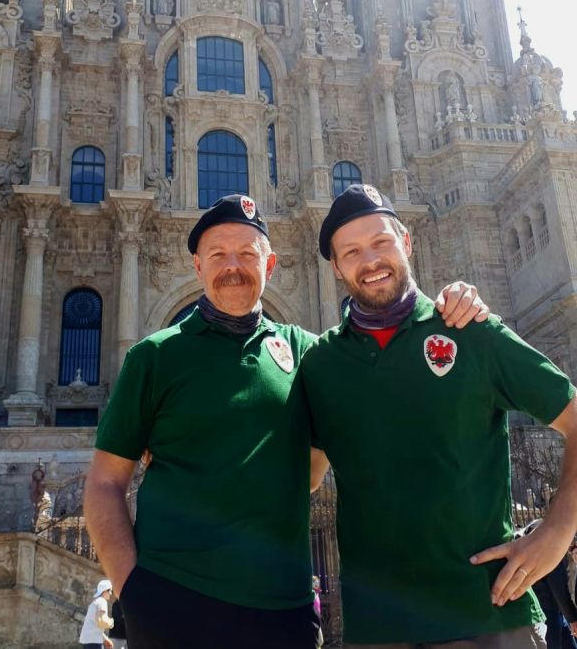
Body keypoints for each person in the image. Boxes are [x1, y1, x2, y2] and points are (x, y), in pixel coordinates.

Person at [84, 194, 487, 649]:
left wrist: (448, 306)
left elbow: (382, 374)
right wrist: (132, 590)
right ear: (197, 266)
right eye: (217, 255)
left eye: (247, 254)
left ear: (270, 265)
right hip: (173, 601)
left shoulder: (307, 352)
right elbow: (103, 484)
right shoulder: (153, 357)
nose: (232, 266)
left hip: (284, 610)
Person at [302, 183, 577, 649]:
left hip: (488, 619)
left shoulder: (469, 329)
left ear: (407, 242)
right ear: (336, 267)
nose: (370, 260)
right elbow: (303, 479)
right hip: (378, 630)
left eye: (382, 242)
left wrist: (557, 530)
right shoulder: (321, 364)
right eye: (351, 251)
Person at [523, 521, 577, 649]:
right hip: (550, 610)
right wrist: (573, 618)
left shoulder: (540, 530)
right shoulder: (553, 540)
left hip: (546, 608)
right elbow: (558, 585)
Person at [79, 579, 114, 649]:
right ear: (105, 591)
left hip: (87, 640)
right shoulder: (102, 601)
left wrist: (105, 639)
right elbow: (100, 620)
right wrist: (111, 623)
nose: (111, 593)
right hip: (93, 641)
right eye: (110, 590)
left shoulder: (95, 602)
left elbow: (94, 624)